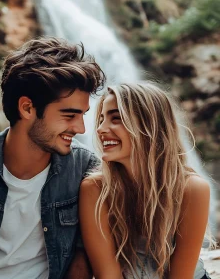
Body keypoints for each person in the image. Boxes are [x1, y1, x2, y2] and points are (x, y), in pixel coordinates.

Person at [0, 37, 105, 279]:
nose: (81, 128)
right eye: (69, 115)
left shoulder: (86, 168)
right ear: (27, 108)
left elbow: (83, 255)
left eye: (83, 115)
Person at [79, 83, 214, 279]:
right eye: (101, 120)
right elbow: (107, 274)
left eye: (116, 118)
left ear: (148, 125)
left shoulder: (191, 188)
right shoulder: (95, 189)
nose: (101, 129)